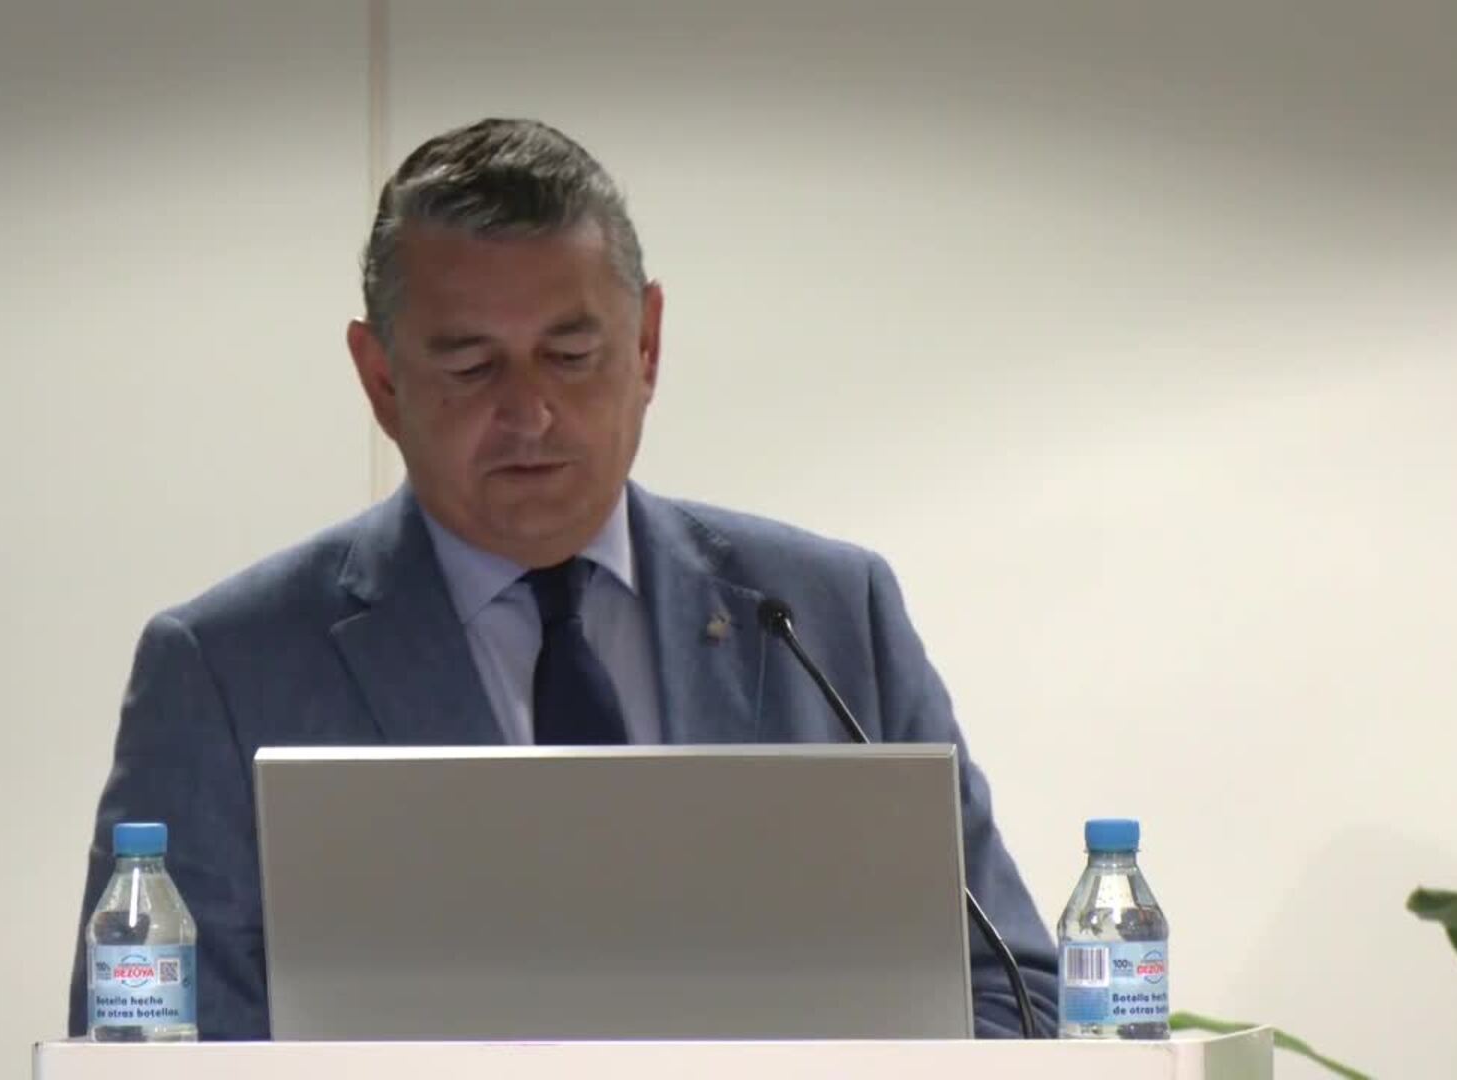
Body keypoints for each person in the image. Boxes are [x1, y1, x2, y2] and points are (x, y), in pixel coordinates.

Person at [67, 117, 1060, 1039]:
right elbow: (151, 1050)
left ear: (647, 346)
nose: (530, 413)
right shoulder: (226, 670)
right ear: (381, 379)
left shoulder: (828, 617)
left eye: (572, 354)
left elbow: (1013, 997)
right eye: (471, 367)